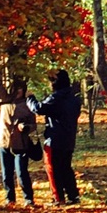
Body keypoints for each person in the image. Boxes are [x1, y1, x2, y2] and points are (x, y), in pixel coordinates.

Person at [33, 69, 83, 205]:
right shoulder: (74, 99)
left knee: (53, 169)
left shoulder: (56, 98)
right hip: (68, 139)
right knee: (66, 167)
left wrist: (30, 99)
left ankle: (58, 197)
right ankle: (73, 195)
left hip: (54, 139)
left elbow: (38, 108)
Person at [0, 81, 39, 206]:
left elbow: (33, 125)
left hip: (20, 143)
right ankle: (9, 198)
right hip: (4, 140)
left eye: (20, 89)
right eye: (15, 89)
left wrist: (26, 127)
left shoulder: (27, 104)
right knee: (6, 173)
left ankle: (28, 198)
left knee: (21, 172)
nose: (17, 92)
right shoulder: (5, 100)